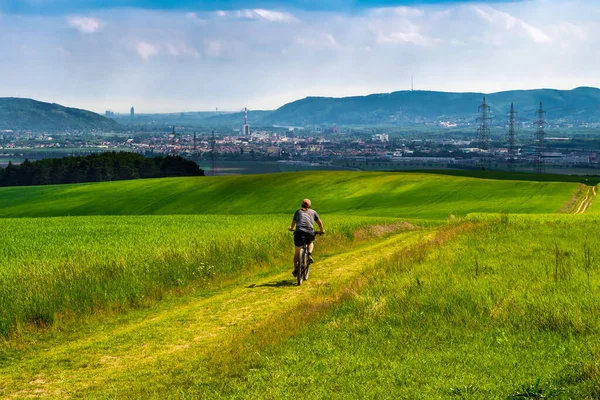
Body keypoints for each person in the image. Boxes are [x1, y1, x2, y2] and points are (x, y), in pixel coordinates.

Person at [288, 198, 324, 277]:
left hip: (298, 233)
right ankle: (309, 255)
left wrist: (290, 228)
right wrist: (321, 230)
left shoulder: (298, 212)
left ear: (302, 205)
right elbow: (319, 223)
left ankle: (296, 268)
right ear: (310, 205)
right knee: (310, 242)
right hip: (309, 233)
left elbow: (293, 224)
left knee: (297, 251)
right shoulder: (313, 212)